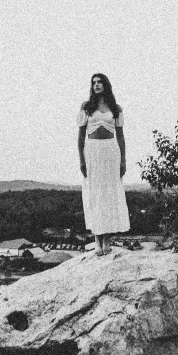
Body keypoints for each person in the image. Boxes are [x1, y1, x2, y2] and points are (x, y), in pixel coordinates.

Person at [77, 73, 130, 255]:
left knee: (108, 195)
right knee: (95, 194)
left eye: (100, 82)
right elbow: (81, 136)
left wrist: (123, 160)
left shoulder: (115, 108)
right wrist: (81, 160)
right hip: (92, 152)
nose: (96, 85)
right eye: (94, 83)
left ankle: (107, 238)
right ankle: (97, 239)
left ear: (106, 85)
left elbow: (121, 136)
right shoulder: (86, 107)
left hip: (110, 151)